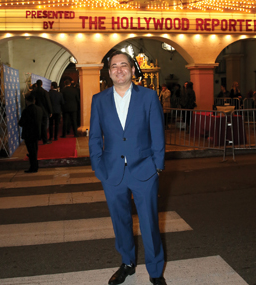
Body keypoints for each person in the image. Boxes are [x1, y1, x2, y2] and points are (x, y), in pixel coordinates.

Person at [89, 51, 166, 285]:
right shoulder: (99, 100)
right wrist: (98, 168)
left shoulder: (149, 97)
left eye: (124, 65)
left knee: (149, 222)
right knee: (120, 221)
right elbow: (94, 137)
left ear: (133, 70)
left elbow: (158, 134)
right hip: (112, 172)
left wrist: (157, 166)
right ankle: (127, 263)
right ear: (109, 71)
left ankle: (155, 271)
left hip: (144, 170)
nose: (119, 69)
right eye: (114, 66)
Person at [18, 93, 43, 173]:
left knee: (31, 151)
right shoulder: (39, 109)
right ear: (34, 101)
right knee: (35, 150)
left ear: (26, 101)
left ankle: (33, 167)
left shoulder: (26, 110)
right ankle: (35, 166)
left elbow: (21, 123)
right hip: (37, 133)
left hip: (29, 134)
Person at [32, 79, 52, 144]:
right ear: (42, 84)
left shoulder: (33, 92)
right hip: (43, 111)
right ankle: (45, 140)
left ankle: (37, 138)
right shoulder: (45, 92)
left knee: (36, 125)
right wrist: (50, 111)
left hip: (35, 110)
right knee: (44, 126)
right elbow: (48, 102)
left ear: (36, 84)